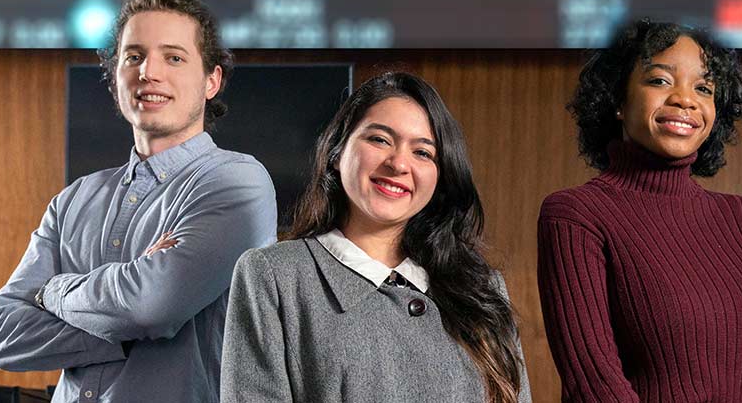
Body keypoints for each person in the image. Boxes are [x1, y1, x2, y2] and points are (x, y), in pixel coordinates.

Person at [0, 0, 276, 403]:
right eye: (134, 56)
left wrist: (52, 292)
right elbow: (7, 337)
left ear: (212, 80)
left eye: (174, 57)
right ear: (116, 74)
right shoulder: (72, 201)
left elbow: (150, 306)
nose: (149, 72)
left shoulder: (236, 182)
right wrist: (127, 322)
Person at [537, 19, 742, 402]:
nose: (686, 99)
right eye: (660, 80)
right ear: (617, 99)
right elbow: (595, 384)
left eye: (703, 87)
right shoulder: (576, 215)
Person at [220, 72, 529, 403]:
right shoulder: (274, 276)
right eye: (380, 139)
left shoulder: (482, 288)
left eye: (423, 153)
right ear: (337, 152)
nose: (398, 164)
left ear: (440, 177)